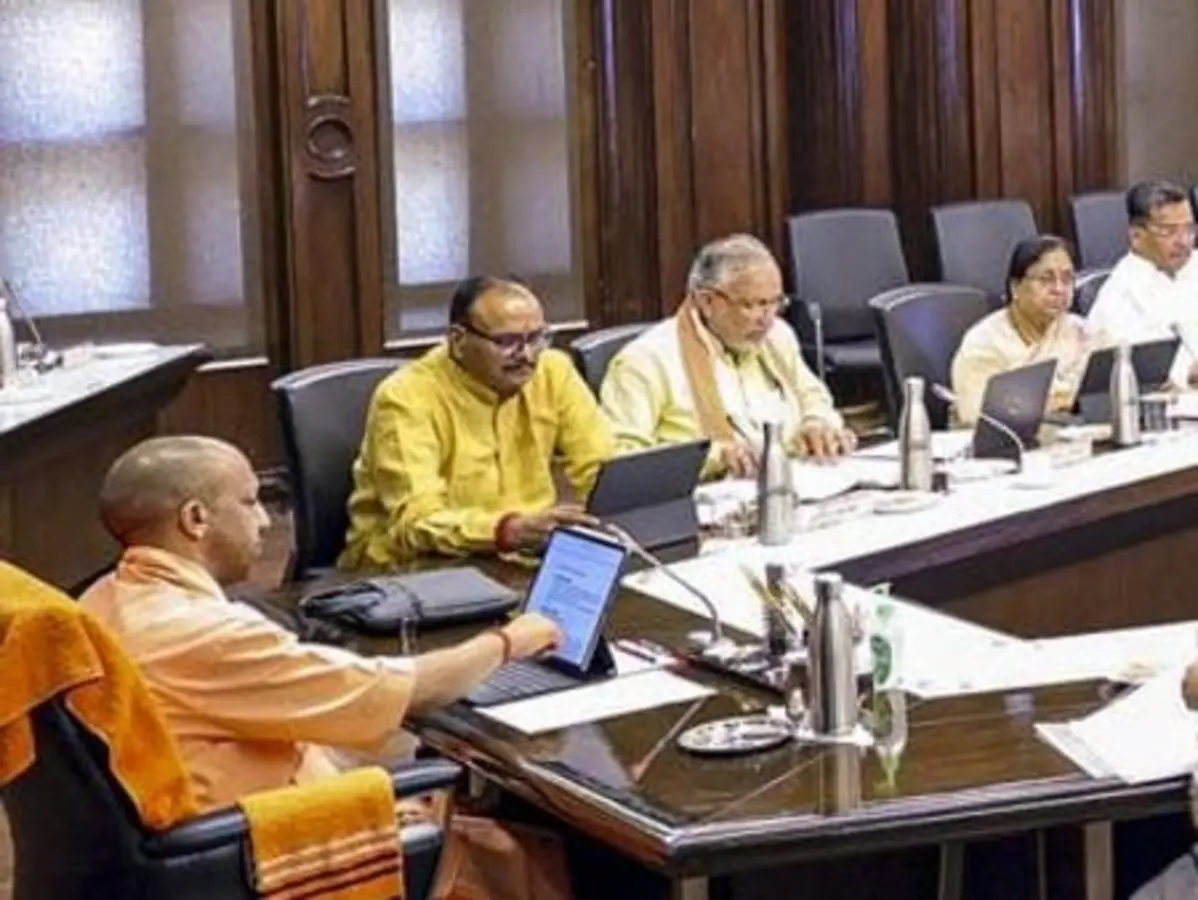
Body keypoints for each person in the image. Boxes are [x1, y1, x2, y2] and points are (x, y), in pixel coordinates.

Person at [79, 435, 575, 899]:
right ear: (195, 519)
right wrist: (510, 641)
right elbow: (403, 689)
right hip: (248, 850)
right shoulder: (203, 633)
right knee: (530, 856)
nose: (265, 522)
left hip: (183, 841)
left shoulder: (100, 600)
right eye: (251, 502)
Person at [340, 276, 615, 571]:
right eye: (506, 342)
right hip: (414, 569)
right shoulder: (406, 397)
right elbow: (415, 524)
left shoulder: (553, 370)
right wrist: (508, 530)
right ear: (458, 340)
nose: (526, 355)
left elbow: (600, 463)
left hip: (525, 557)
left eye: (536, 338)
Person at [599, 233, 855, 480]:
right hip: (707, 496)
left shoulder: (777, 335)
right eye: (753, 305)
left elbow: (812, 394)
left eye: (774, 303)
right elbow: (623, 462)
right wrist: (715, 458)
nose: (767, 319)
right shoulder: (646, 361)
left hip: (792, 482)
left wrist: (817, 422)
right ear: (707, 302)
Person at [951, 235, 1108, 425]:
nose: (1059, 289)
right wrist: (1064, 402)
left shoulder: (1083, 332)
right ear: (1015, 287)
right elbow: (976, 414)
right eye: (1046, 279)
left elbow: (1108, 392)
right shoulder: (984, 343)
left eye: (1067, 279)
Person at [1087, 179, 1198, 389]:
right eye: (1169, 231)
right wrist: (1186, 375)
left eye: (1189, 229)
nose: (1184, 242)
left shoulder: (1194, 264)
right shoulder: (1119, 298)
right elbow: (1142, 376)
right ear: (1136, 236)